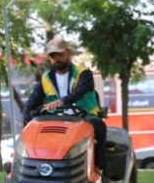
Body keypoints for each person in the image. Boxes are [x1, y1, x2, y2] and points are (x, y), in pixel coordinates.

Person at [22, 37, 107, 171]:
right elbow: (32, 103)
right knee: (32, 119)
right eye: (53, 56)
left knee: (99, 125)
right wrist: (27, 122)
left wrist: (62, 101)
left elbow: (79, 92)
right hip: (55, 119)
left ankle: (97, 167)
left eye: (60, 54)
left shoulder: (84, 74)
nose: (57, 58)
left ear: (68, 53)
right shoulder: (46, 78)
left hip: (84, 118)